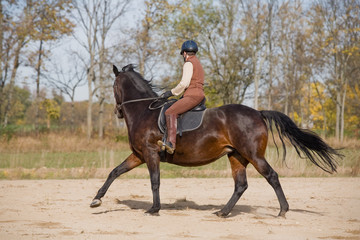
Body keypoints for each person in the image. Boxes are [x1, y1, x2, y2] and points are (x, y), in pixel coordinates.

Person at [158, 40, 205, 154]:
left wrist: (170, 93)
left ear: (184, 53)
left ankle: (171, 143)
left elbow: (184, 83)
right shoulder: (198, 63)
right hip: (199, 94)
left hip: (192, 95)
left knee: (170, 112)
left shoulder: (188, 63)